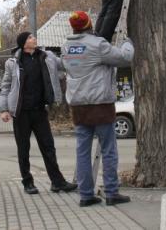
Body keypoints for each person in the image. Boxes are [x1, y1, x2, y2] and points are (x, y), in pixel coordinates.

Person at [61, 11, 134, 207]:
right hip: (100, 104)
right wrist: (127, 41)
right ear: (88, 24)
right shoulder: (97, 44)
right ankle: (111, 192)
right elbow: (125, 58)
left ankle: (85, 195)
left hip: (78, 106)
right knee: (109, 150)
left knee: (82, 151)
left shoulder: (66, 47)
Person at [0, 31, 77, 195]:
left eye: (33, 37)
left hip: (40, 110)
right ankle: (28, 183)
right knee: (23, 149)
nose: (34, 38)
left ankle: (57, 182)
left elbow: (63, 64)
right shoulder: (13, 62)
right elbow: (5, 86)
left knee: (48, 147)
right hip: (21, 112)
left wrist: (69, 48)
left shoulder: (47, 56)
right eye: (30, 37)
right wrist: (4, 109)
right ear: (23, 43)